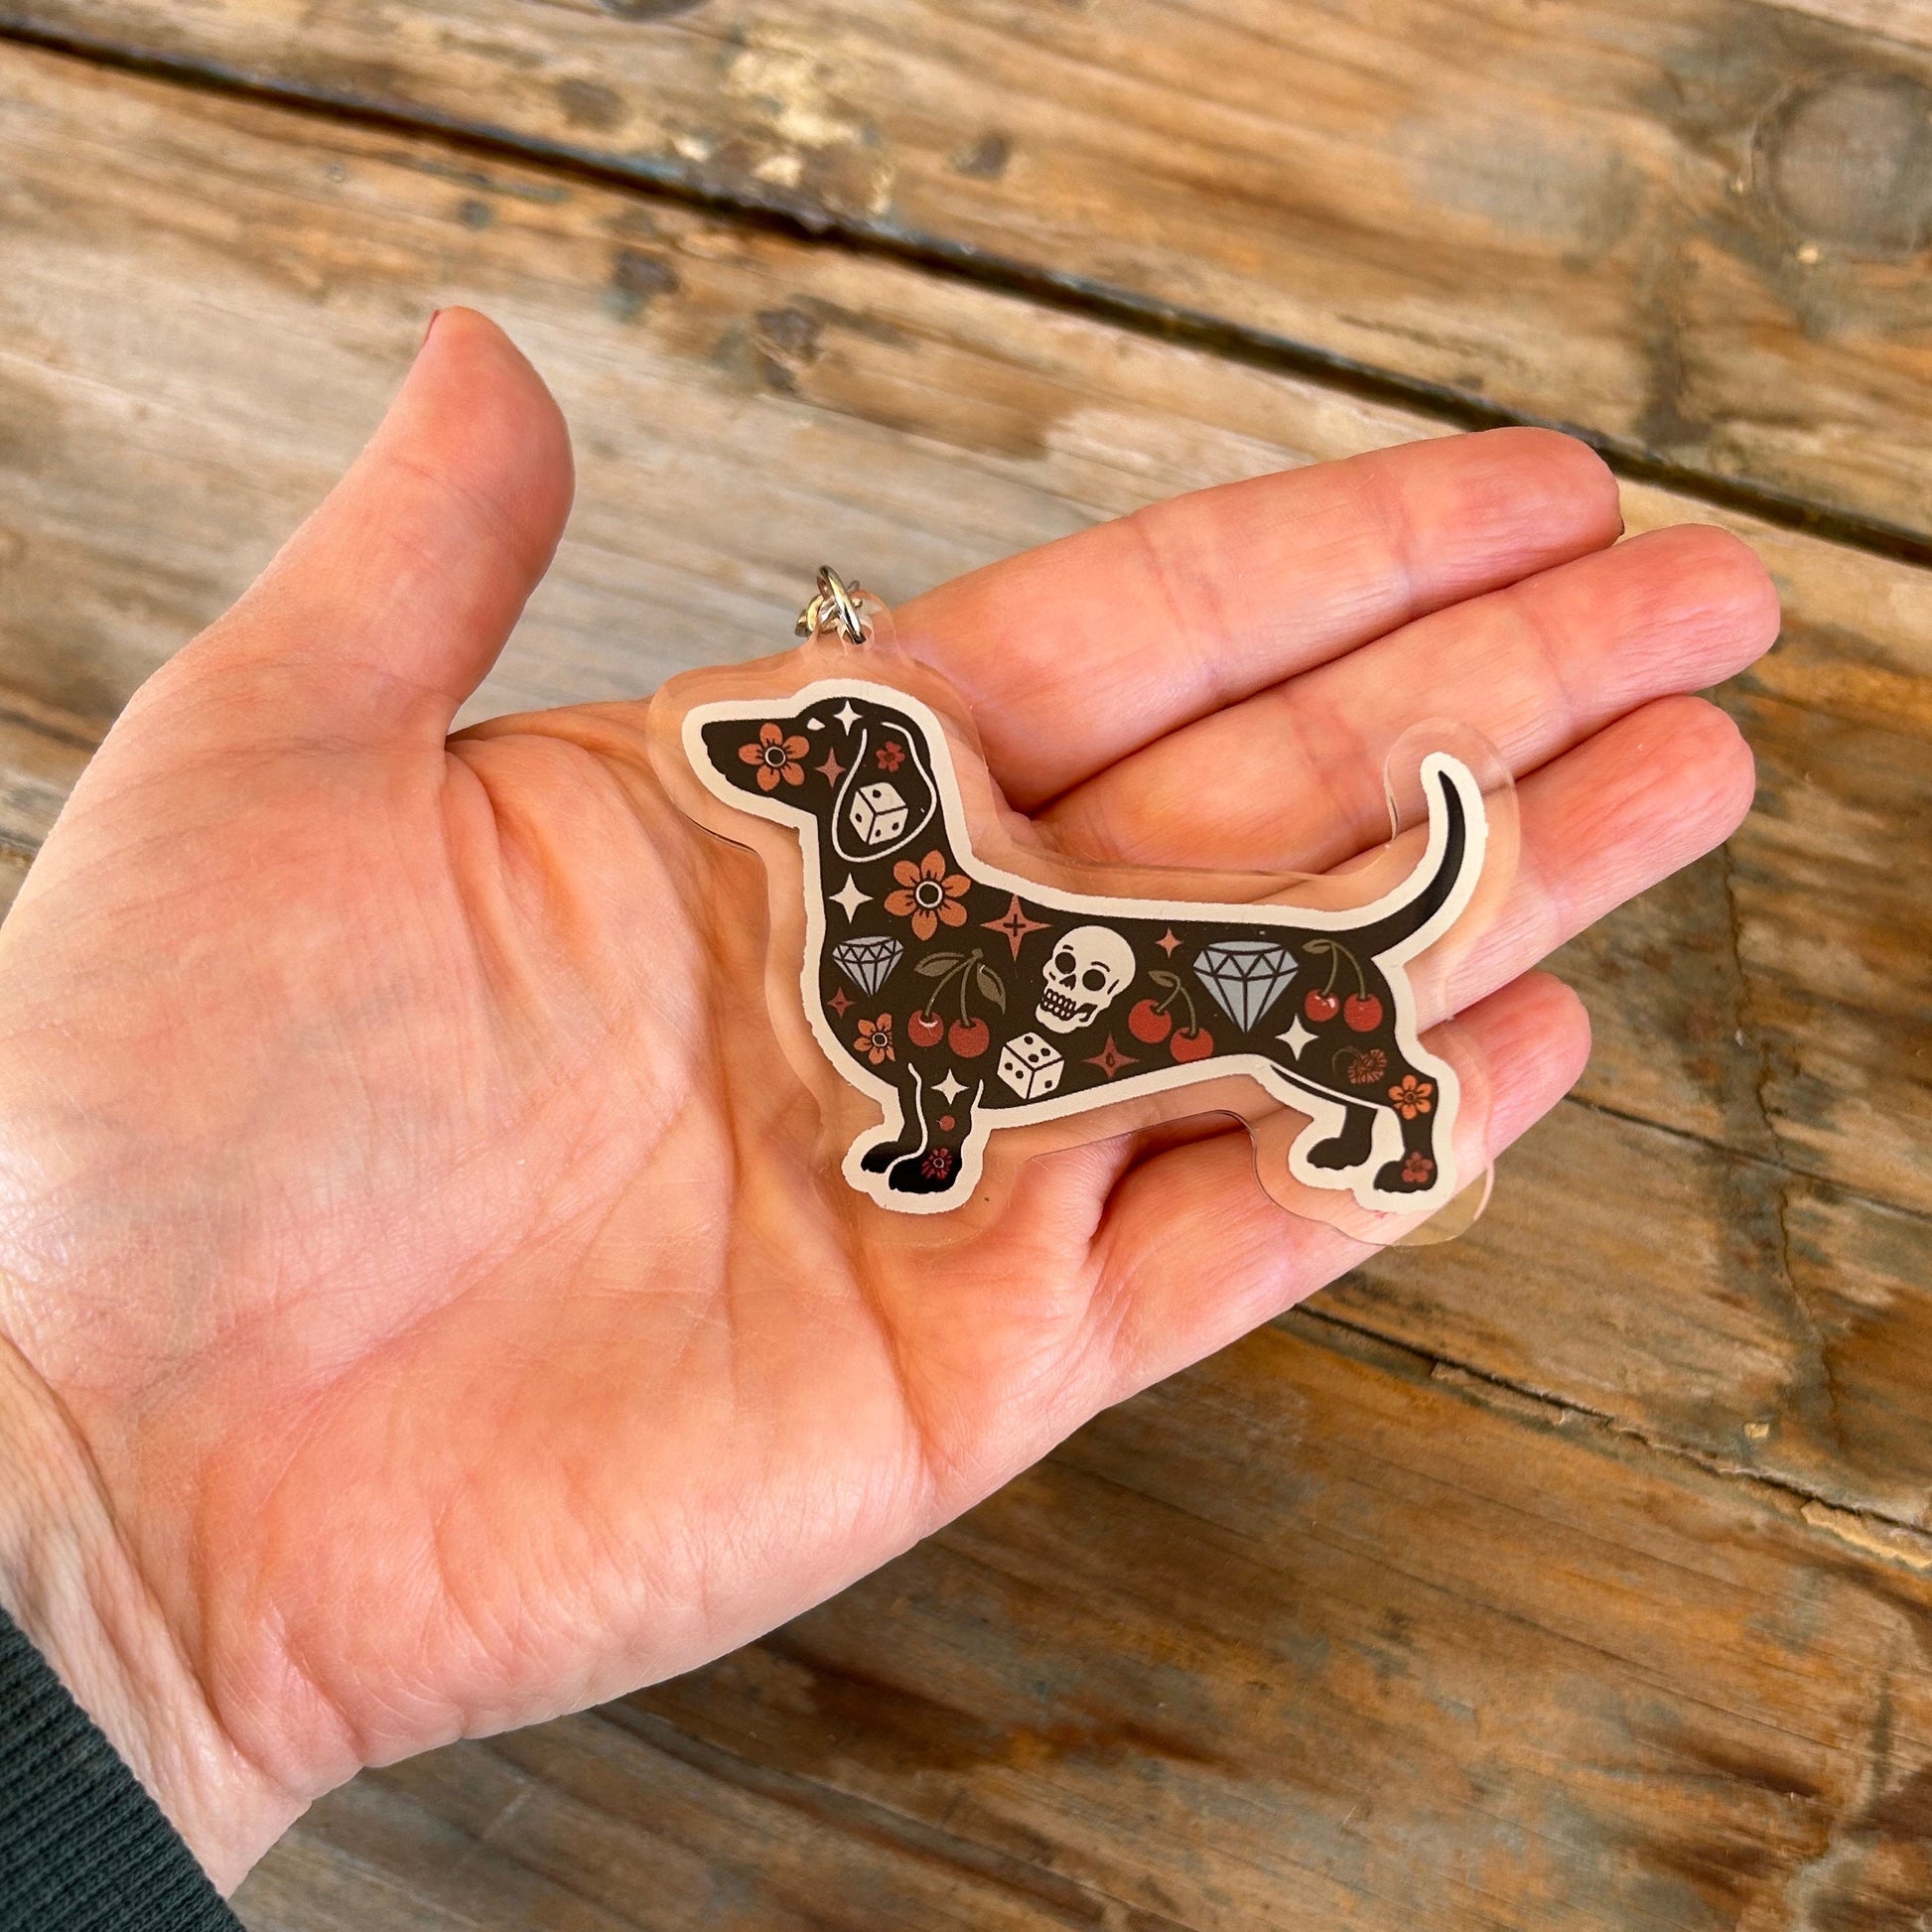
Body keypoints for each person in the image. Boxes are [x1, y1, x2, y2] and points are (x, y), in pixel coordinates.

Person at [0, 311, 1776, 1924]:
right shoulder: (885, 933)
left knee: (1300, 1000)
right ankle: (1113, 1106)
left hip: (1200, 971)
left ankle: (1372, 1104)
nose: (769, 762)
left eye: (810, 759)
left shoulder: (939, 907)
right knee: (1069, 1030)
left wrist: (113, 1593)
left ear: (869, 792)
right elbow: (908, 1020)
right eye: (795, 758)